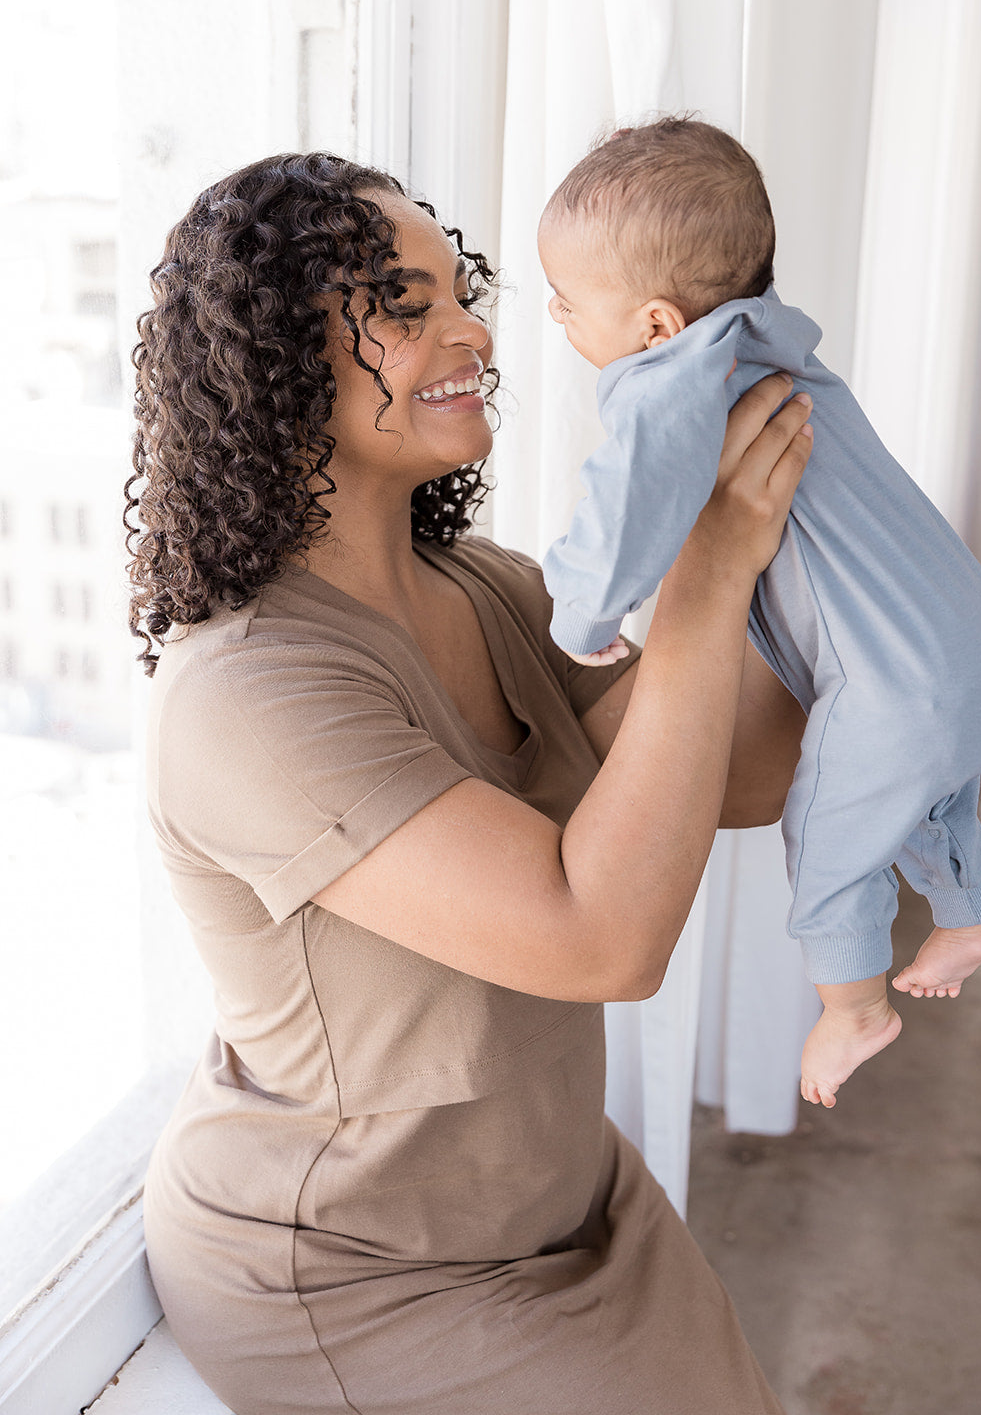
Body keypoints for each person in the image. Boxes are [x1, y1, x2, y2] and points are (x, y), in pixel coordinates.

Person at [129, 151, 814, 1415]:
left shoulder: (491, 587)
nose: (473, 330)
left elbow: (750, 773)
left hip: (554, 1199)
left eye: (461, 292)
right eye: (403, 305)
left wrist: (752, 538)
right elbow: (601, 936)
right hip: (353, 1271)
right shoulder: (248, 690)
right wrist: (707, 572)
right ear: (271, 366)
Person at [537, 116, 981, 1111]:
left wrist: (585, 611)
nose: (553, 315)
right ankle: (968, 910)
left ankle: (851, 1006)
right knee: (921, 786)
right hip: (979, 645)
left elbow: (624, 500)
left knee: (828, 823)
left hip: (904, 688)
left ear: (654, 326)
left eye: (567, 300)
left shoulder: (664, 383)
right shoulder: (781, 355)